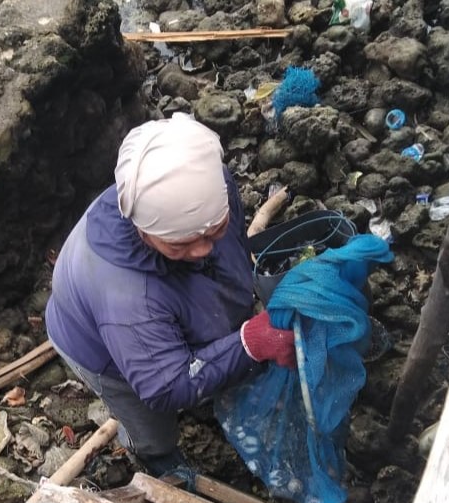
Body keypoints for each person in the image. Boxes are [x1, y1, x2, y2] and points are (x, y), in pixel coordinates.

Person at [44, 113, 295, 476]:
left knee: (214, 354)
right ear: (143, 231)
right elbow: (165, 386)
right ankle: (156, 458)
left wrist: (240, 337)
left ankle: (212, 370)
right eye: (181, 244)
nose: (203, 249)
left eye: (215, 230)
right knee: (150, 425)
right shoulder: (129, 298)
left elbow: (229, 244)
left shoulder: (210, 185)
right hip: (103, 352)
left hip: (163, 308)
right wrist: (250, 343)